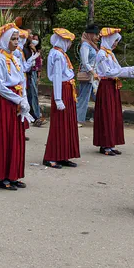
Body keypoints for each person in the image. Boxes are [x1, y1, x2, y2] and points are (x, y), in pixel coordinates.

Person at [0, 23, 31, 190]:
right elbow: (0, 87)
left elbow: (21, 80)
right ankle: (2, 177)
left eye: (17, 39)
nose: (16, 42)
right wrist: (18, 100)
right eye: (13, 39)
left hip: (17, 99)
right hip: (6, 102)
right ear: (5, 41)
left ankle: (14, 174)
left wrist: (24, 99)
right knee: (4, 137)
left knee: (16, 138)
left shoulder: (15, 58)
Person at [93, 27, 134, 156]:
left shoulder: (109, 53)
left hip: (113, 86)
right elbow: (108, 72)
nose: (115, 44)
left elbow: (117, 69)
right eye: (115, 40)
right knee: (107, 114)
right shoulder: (102, 54)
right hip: (106, 86)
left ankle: (111, 143)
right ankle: (105, 145)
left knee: (113, 114)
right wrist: (127, 71)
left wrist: (129, 71)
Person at [42, 28, 80, 169]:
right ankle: (51, 156)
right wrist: (58, 99)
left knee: (67, 124)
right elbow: (57, 77)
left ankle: (63, 154)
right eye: (68, 41)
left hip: (67, 89)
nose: (69, 44)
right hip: (62, 90)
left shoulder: (61, 54)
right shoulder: (57, 55)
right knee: (59, 124)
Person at [77, 25, 100, 124]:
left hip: (94, 75)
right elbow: (85, 62)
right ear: (90, 34)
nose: (98, 37)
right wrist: (93, 72)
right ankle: (77, 119)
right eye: (96, 34)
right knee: (83, 98)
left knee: (98, 97)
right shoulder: (85, 46)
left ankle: (97, 117)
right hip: (88, 75)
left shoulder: (92, 45)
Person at [24, 32, 46, 127]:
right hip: (29, 73)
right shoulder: (26, 50)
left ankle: (36, 116)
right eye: (32, 38)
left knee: (33, 95)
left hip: (33, 73)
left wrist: (38, 75)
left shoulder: (35, 51)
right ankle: (35, 116)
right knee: (31, 95)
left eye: (36, 39)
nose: (34, 40)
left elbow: (38, 63)